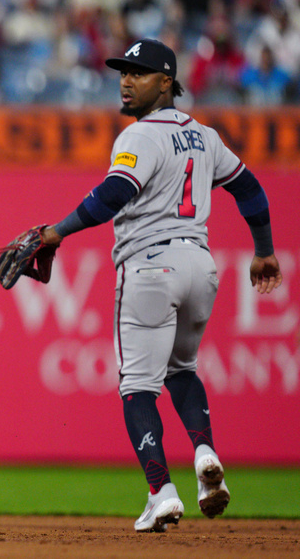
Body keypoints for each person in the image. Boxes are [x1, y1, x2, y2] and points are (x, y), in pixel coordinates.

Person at [36, 39, 282, 532]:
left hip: (149, 266)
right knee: (182, 369)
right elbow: (249, 188)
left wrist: (56, 230)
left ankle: (161, 491)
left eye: (140, 72)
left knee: (136, 387)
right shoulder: (205, 137)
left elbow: (114, 194)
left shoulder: (138, 137)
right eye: (124, 71)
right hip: (201, 266)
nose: (126, 80)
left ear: (166, 82)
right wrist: (263, 250)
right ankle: (205, 453)